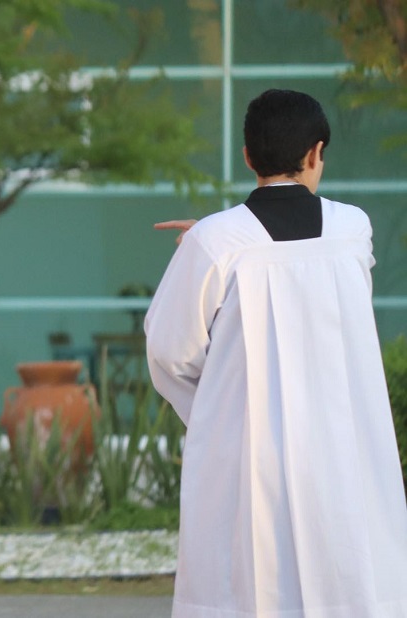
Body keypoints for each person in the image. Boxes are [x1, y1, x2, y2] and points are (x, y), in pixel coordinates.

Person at [145, 89, 407, 617]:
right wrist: (215, 240)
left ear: (247, 156)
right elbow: (306, 277)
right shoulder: (353, 229)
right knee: (349, 581)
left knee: (251, 587)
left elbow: (170, 352)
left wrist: (224, 412)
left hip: (250, 457)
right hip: (343, 448)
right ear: (316, 153)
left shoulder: (215, 243)